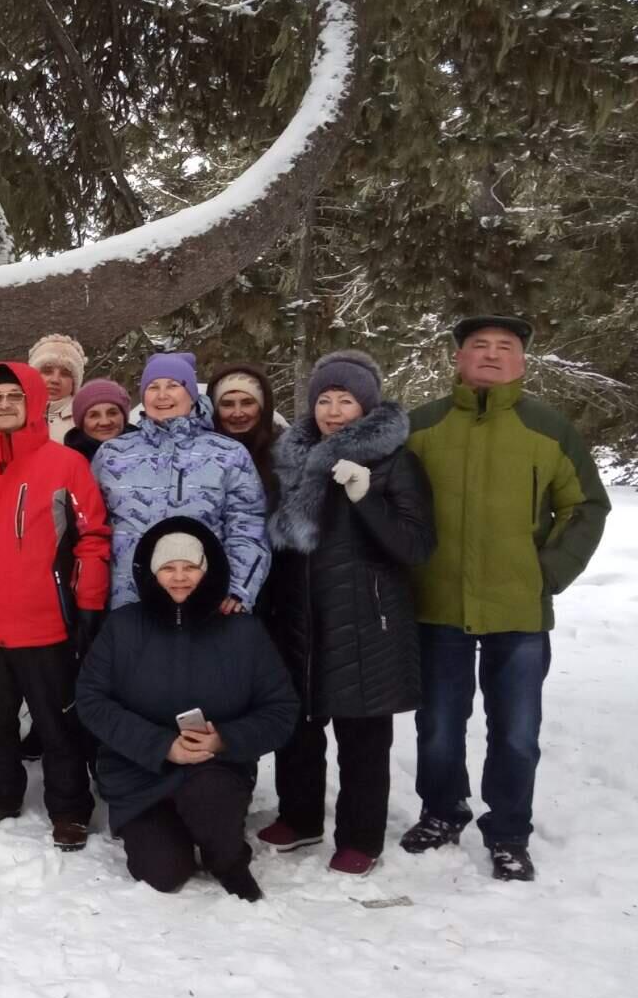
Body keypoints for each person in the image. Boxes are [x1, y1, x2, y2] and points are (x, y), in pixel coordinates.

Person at [402, 315, 609, 881]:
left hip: (518, 610)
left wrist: (548, 572)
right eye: (478, 346)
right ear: (458, 358)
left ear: (521, 361)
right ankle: (442, 811)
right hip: (438, 604)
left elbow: (586, 506)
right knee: (439, 724)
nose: (491, 355)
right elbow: (393, 505)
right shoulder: (421, 426)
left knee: (516, 732)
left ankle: (510, 832)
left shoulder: (548, 428)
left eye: (505, 347)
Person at [259, 351, 436, 876]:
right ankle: (300, 816)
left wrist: (365, 498)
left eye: (346, 400)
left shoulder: (394, 461)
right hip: (299, 616)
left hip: (367, 620)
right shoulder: (290, 459)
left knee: (362, 737)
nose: (333, 411)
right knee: (298, 726)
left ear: (367, 406)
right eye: (324, 400)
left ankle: (360, 837)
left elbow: (416, 545)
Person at [75, 518, 297, 901]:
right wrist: (162, 745)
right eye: (168, 567)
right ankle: (181, 831)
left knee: (210, 799)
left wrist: (223, 741)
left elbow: (280, 709)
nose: (180, 577)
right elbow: (92, 701)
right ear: (152, 572)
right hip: (139, 774)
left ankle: (227, 857)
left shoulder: (243, 631)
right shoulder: (123, 627)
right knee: (162, 873)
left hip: (215, 771)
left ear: (207, 569)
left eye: (190, 566)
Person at [0, 362, 111, 850]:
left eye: (15, 398)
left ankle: (69, 807)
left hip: (46, 623)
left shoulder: (65, 464)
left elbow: (94, 536)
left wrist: (87, 602)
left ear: (34, 403)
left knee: (57, 724)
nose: (4, 405)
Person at [92, 352, 270, 613]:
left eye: (173, 386)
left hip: (206, 600)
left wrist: (238, 588)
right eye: (153, 387)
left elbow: (248, 524)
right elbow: (93, 529)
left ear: (192, 394)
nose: (162, 395)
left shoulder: (227, 453)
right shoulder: (112, 454)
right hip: (129, 601)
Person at [207, 362, 282, 506]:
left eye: (247, 403)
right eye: (227, 404)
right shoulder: (202, 455)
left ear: (262, 407)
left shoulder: (286, 454)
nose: (238, 413)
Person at [28, 333, 87, 442]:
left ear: (74, 382)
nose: (55, 380)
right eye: (47, 371)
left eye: (65, 374)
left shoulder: (85, 420)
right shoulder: (14, 415)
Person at [65, 377, 135, 462]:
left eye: (112, 413)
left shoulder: (148, 449)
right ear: (81, 423)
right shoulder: (69, 463)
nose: (105, 422)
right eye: (94, 415)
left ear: (123, 416)